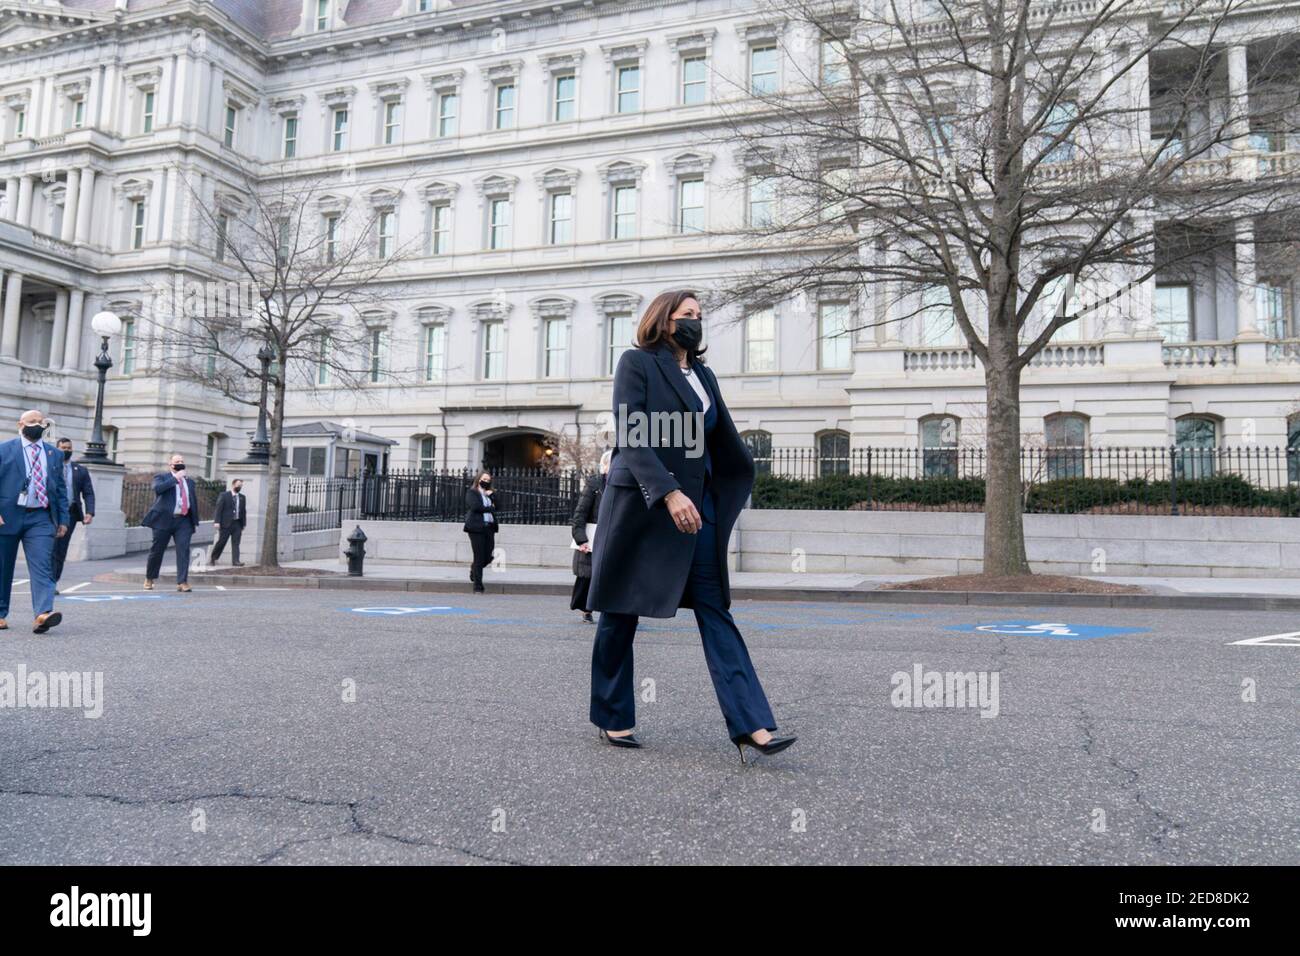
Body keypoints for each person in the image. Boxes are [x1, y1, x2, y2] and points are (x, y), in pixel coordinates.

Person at [586, 290, 797, 764]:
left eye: (700, 316)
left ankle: (752, 725)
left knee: (715, 609)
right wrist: (669, 492)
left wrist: (719, 487)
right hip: (644, 505)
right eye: (687, 315)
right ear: (664, 320)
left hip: (697, 510)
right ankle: (611, 714)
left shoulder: (703, 374)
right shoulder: (637, 363)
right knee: (620, 612)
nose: (695, 323)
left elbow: (716, 440)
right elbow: (633, 436)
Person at [0, 410, 70, 634]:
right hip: (6, 516)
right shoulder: (4, 450)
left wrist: (63, 519)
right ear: (20, 424)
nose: (37, 425)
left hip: (40, 516)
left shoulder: (54, 454)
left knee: (43, 565)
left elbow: (60, 490)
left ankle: (43, 613)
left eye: (41, 422)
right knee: (3, 567)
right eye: (32, 422)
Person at [142, 452, 200, 592]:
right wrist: (175, 478)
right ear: (170, 464)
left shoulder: (189, 481)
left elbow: (192, 500)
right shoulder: (161, 477)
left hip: (183, 521)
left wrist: (194, 520)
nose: (180, 462)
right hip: (164, 520)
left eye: (182, 460)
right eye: (177, 461)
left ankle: (182, 581)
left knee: (184, 550)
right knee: (157, 551)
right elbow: (158, 489)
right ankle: (149, 578)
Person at [570, 451, 610, 624]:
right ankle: (587, 609)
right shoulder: (594, 484)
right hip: (593, 537)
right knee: (588, 576)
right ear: (605, 465)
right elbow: (580, 513)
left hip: (613, 536)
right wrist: (581, 539)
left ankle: (619, 611)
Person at [51, 437, 96, 592]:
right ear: (56, 449)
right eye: (63, 447)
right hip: (49, 513)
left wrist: (90, 512)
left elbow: (88, 493)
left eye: (69, 448)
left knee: (60, 550)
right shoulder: (49, 467)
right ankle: (44, 581)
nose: (66, 450)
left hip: (69, 514)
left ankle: (53, 582)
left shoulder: (80, 470)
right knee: (48, 548)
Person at [462, 471, 500, 594]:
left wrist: (492, 496)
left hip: (489, 527)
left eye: (488, 480)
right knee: (479, 557)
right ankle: (478, 586)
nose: (486, 482)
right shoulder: (472, 492)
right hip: (476, 528)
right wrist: (491, 508)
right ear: (478, 479)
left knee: (488, 556)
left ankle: (474, 569)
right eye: (484, 479)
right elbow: (475, 507)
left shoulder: (489, 493)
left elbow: (499, 506)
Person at [210, 478, 247, 566]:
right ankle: (213, 557)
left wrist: (244, 523)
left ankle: (236, 561)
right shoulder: (224, 495)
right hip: (225, 523)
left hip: (237, 523)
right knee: (222, 542)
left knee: (236, 543)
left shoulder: (242, 497)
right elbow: (219, 509)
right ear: (233, 485)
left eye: (241, 486)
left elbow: (243, 511)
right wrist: (217, 521)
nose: (239, 487)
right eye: (238, 485)